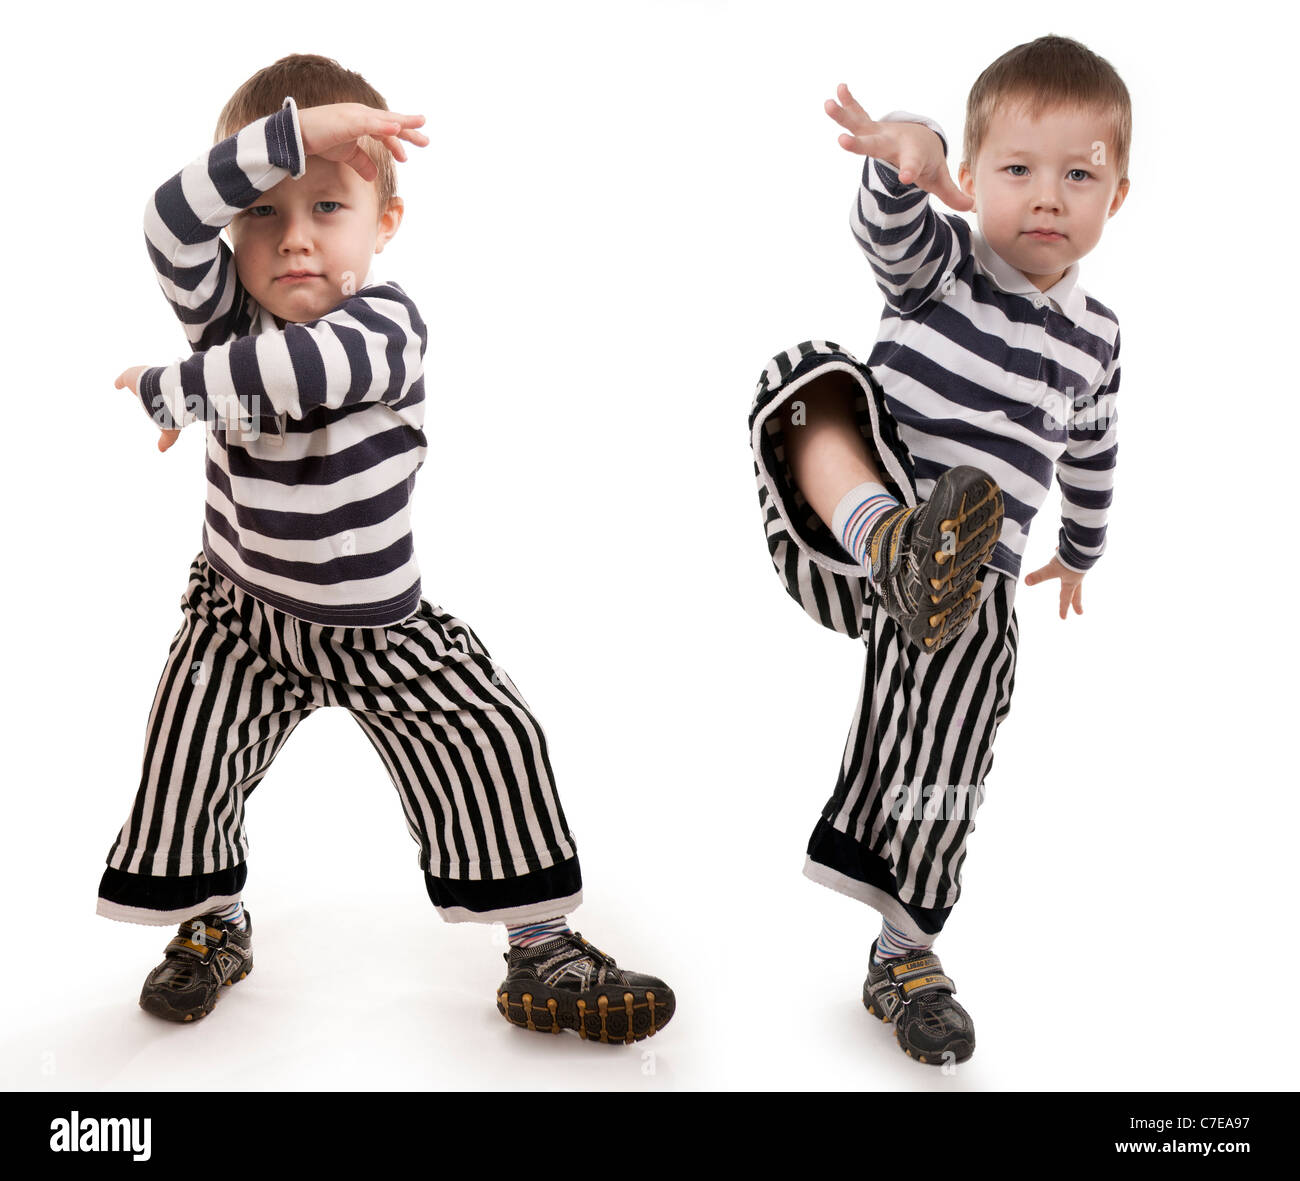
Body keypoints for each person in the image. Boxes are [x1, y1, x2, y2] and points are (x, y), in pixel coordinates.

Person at [101, 53, 673, 1046]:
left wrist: (176, 387)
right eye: (262, 216)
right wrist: (289, 140)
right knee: (183, 755)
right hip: (240, 617)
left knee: (492, 736)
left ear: (384, 223)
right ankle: (213, 922)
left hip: (381, 625)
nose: (294, 243)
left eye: (327, 208)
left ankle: (543, 946)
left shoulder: (386, 324)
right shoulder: (222, 318)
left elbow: (302, 372)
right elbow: (164, 219)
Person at [748, 34, 1128, 1064]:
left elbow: (1093, 449)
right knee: (805, 374)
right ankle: (896, 541)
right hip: (847, 532)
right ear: (971, 178)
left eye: (1077, 174)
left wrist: (1081, 551)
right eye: (1015, 170)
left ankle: (905, 951)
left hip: (972, 580)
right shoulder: (945, 269)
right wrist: (900, 160)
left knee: (959, 739)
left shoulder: (1095, 341)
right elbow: (892, 230)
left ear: (1116, 197)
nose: (1045, 197)